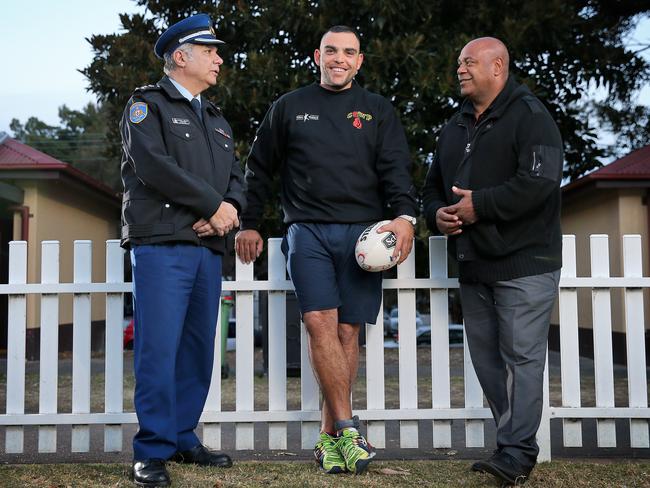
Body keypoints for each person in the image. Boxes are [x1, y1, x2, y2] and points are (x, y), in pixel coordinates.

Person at [235, 25, 417, 475]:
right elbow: (258, 168)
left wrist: (405, 219)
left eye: (349, 52)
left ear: (360, 61)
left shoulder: (377, 110)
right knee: (320, 324)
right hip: (308, 231)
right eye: (331, 50)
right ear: (317, 55)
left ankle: (328, 439)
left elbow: (396, 170)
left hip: (364, 237)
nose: (339, 58)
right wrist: (251, 221)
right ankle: (350, 429)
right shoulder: (290, 107)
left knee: (347, 333)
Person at [422, 37, 562, 486]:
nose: (459, 69)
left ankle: (518, 452)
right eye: (459, 62)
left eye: (467, 62)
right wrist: (437, 215)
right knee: (487, 361)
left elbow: (539, 183)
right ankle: (510, 446)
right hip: (474, 265)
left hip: (526, 263)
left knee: (522, 358)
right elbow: (431, 188)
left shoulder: (531, 116)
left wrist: (479, 205)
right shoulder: (455, 125)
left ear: (497, 65)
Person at [120, 13, 245, 487]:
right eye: (210, 50)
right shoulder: (145, 106)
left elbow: (236, 178)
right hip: (162, 244)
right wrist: (212, 204)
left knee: (197, 349)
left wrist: (229, 207)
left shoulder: (216, 119)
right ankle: (151, 450)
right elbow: (153, 165)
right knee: (158, 347)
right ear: (180, 56)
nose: (219, 58)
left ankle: (182, 435)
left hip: (206, 248)